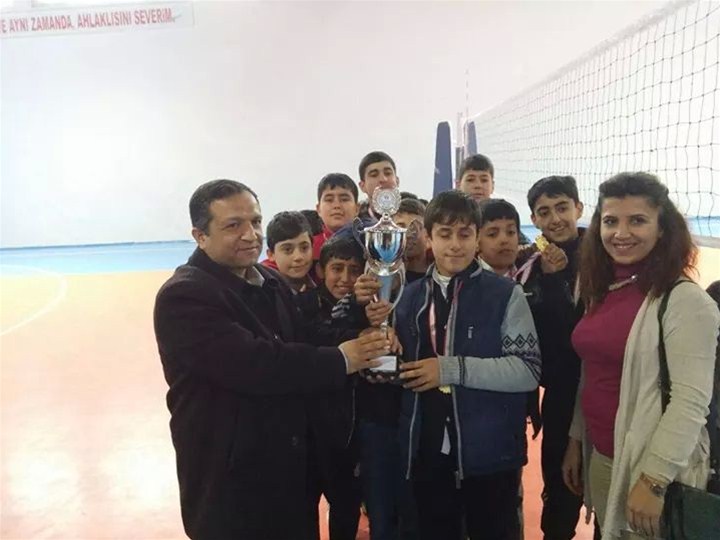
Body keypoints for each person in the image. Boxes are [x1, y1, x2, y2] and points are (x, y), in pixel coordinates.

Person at [153, 179, 392, 539]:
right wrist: (342, 359)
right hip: (231, 481)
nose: (250, 234)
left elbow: (308, 334)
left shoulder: (269, 280)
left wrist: (360, 326)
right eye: (233, 225)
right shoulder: (184, 297)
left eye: (255, 222)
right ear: (200, 236)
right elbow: (258, 364)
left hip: (288, 472)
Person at [562, 172, 720, 539]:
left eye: (637, 220)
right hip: (602, 456)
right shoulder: (600, 287)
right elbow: (592, 371)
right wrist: (576, 438)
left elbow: (690, 402)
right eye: (611, 221)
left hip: (650, 467)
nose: (621, 233)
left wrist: (654, 480)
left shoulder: (685, 302)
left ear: (662, 228)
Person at [393, 190, 541, 540]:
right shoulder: (408, 297)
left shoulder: (505, 294)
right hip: (427, 452)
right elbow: (398, 370)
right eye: (445, 234)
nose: (455, 245)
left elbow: (528, 370)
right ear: (429, 238)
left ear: (477, 238)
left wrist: (450, 369)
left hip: (489, 454)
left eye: (464, 234)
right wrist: (382, 350)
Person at [525, 176, 588, 540]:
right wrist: (550, 280)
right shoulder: (533, 263)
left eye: (562, 208)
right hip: (561, 395)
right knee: (560, 492)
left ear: (578, 208)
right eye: (544, 212)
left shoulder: (605, 255)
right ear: (534, 219)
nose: (555, 219)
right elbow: (551, 335)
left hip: (605, 389)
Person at [301, 237, 367, 540]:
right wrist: (359, 335)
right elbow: (315, 337)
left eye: (354, 270)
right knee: (303, 509)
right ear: (321, 271)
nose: (345, 278)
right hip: (309, 433)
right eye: (337, 268)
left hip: (348, 434)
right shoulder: (303, 306)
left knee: (346, 507)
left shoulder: (369, 308)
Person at [262, 210, 316, 292]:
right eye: (287, 250)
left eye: (304, 248)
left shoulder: (320, 281)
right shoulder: (266, 292)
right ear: (271, 254)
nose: (298, 257)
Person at [313, 173, 360, 260]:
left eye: (344, 199)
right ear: (318, 209)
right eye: (329, 200)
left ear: (357, 209)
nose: (336, 205)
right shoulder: (309, 248)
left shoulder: (367, 244)